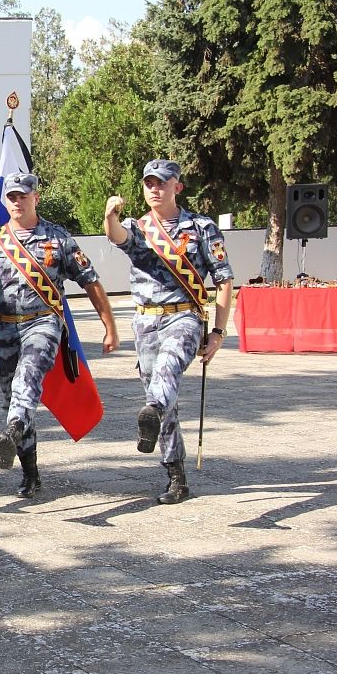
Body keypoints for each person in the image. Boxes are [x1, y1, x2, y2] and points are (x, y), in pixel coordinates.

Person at [0, 172, 118, 498]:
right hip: (3, 327)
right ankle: (29, 470)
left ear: (36, 197)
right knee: (13, 394)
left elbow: (90, 281)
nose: (17, 202)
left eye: (23, 195)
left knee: (28, 376)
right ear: (6, 201)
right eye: (12, 197)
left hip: (43, 323)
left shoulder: (57, 239)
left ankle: (15, 426)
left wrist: (109, 325)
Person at [103, 159, 234, 504]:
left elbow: (223, 279)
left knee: (167, 369)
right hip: (146, 321)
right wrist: (110, 217)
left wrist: (219, 331)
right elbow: (118, 237)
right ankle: (176, 474)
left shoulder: (202, 227)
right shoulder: (139, 227)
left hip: (185, 317)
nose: (155, 189)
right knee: (163, 398)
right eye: (149, 183)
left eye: (162, 183)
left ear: (178, 186)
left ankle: (153, 411)